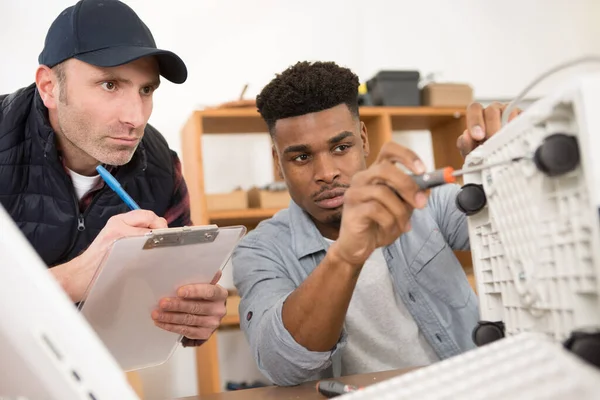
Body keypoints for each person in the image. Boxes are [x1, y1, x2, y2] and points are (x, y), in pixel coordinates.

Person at [232, 61, 515, 386]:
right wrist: (347, 253)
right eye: (301, 157)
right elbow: (281, 364)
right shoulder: (259, 250)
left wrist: (501, 168)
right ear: (278, 164)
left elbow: (516, 232)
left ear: (363, 139)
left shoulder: (426, 201)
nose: (326, 173)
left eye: (341, 147)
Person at [0, 0, 226, 346]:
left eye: (146, 90)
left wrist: (193, 318)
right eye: (109, 85)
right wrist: (73, 278)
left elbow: (171, 304)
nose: (135, 118)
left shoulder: (161, 165)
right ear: (49, 87)